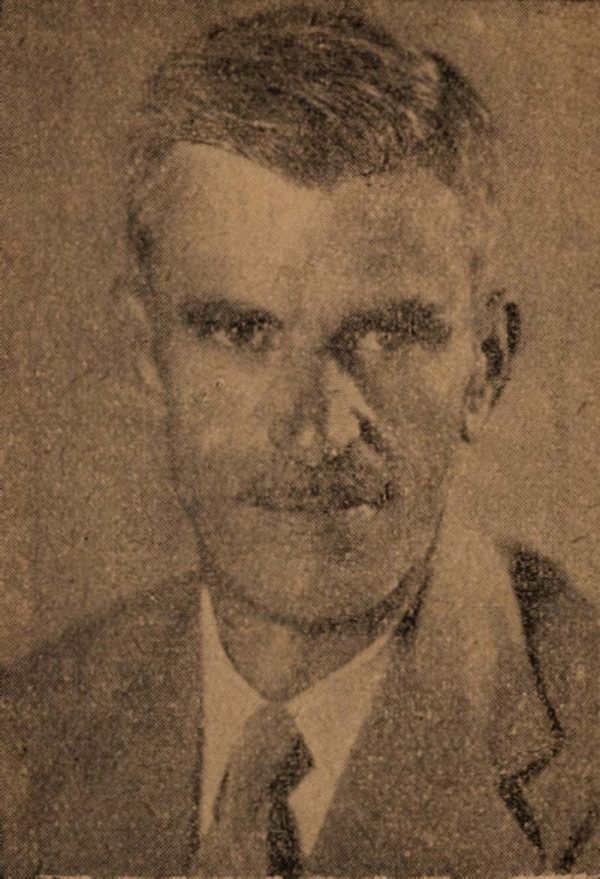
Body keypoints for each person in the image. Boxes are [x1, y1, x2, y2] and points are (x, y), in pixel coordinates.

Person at [2, 4, 599, 877]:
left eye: (385, 336)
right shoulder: (28, 732)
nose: (315, 432)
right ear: (147, 354)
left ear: (485, 364)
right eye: (240, 332)